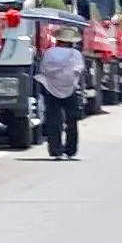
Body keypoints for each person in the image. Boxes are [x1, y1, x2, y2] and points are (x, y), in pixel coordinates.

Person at [34, 20, 86, 158]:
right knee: (72, 121)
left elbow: (43, 70)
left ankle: (55, 149)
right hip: (70, 90)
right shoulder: (75, 54)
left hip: (51, 89)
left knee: (53, 120)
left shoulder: (49, 53)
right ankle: (70, 150)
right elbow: (78, 71)